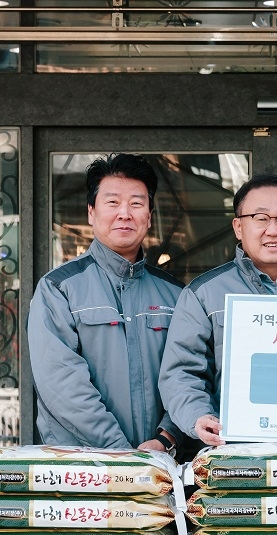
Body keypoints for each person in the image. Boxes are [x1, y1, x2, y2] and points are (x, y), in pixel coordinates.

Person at [159, 174, 277, 447]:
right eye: (261, 218)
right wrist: (199, 417)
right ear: (238, 227)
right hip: (234, 453)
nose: (273, 229)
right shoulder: (204, 294)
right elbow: (181, 373)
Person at [28, 153, 183, 454]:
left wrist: (166, 439)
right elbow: (62, 386)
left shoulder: (175, 295)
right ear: (91, 212)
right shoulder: (59, 288)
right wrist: (123, 455)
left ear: (149, 216)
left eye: (136, 204)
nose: (124, 213)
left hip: (160, 468)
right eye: (112, 202)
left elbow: (190, 375)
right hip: (84, 471)